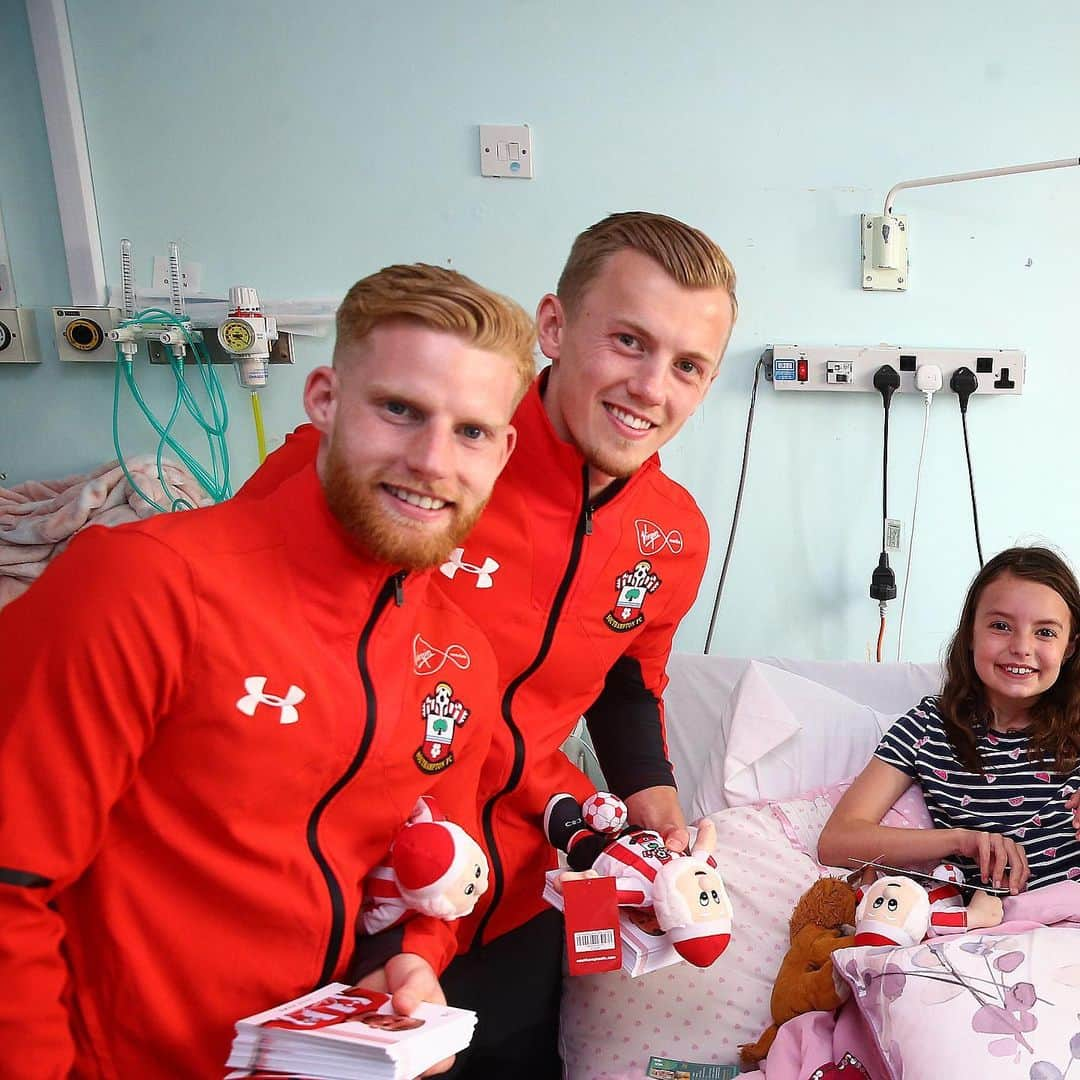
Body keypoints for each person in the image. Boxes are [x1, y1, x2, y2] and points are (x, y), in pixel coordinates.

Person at [0, 263, 536, 1079]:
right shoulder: (146, 584)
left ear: (501, 451)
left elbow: (435, 874)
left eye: (469, 432)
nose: (432, 460)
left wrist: (412, 963)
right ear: (323, 399)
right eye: (399, 409)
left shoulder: (458, 659)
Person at [243, 211, 738, 1075]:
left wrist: (652, 794)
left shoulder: (674, 535)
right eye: (628, 341)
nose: (652, 388)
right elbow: (234, 610)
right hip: (348, 887)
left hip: (518, 887)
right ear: (554, 326)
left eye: (688, 366)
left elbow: (625, 677)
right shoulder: (421, 455)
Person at [819, 545, 1080, 897]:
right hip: (982, 933)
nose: (1022, 647)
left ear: (1069, 648)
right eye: (1001, 626)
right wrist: (960, 841)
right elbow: (837, 840)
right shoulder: (926, 729)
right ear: (970, 634)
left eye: (1045, 632)